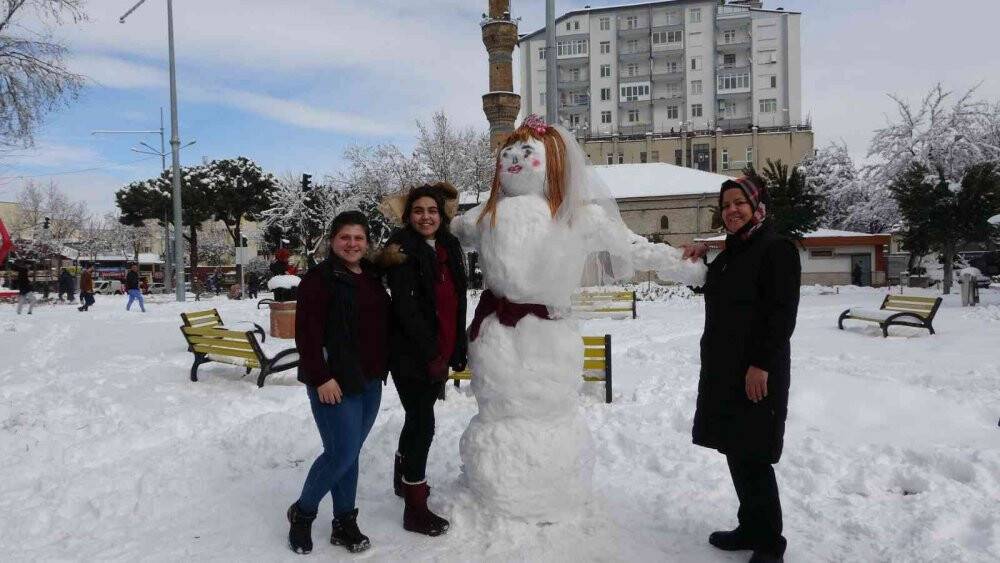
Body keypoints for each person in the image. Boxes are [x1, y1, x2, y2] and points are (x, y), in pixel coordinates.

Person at [683, 176, 800, 563]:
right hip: (726, 371)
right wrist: (698, 258)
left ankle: (770, 544)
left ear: (756, 205)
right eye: (726, 205)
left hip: (756, 373)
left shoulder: (776, 248)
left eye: (739, 203)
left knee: (754, 456)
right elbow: (713, 288)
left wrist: (761, 365)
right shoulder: (735, 250)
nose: (731, 211)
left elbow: (782, 315)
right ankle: (751, 526)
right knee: (738, 450)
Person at [286, 211, 389, 555]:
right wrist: (321, 378)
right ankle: (302, 513)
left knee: (350, 454)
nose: (352, 244)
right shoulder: (319, 279)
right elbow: (307, 335)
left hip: (370, 381)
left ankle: (344, 522)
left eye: (359, 238)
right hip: (334, 382)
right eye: (345, 237)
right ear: (332, 241)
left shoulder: (372, 278)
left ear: (367, 243)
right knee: (340, 452)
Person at [378, 183, 467, 537]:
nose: (425, 217)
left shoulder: (449, 246)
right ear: (408, 216)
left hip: (440, 349)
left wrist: (455, 345)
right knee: (422, 422)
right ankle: (414, 505)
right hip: (410, 353)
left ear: (441, 215)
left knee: (417, 418)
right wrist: (431, 352)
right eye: (418, 211)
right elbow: (407, 310)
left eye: (431, 210)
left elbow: (457, 300)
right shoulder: (402, 251)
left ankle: (403, 479)